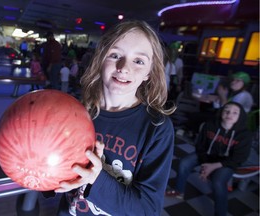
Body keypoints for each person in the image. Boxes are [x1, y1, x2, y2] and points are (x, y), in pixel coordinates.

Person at [55, 20, 176, 216]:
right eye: (115, 55)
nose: (124, 67)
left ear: (148, 73)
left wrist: (96, 178)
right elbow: (56, 170)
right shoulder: (77, 113)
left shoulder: (157, 128)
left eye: (139, 61)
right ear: (101, 59)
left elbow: (148, 209)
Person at [166, 101, 252, 216]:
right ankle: (178, 191)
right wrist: (205, 164)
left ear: (240, 116)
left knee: (218, 181)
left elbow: (238, 158)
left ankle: (220, 213)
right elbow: (200, 145)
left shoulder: (244, 134)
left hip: (226, 163)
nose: (229, 114)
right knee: (184, 163)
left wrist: (212, 167)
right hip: (207, 156)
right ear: (221, 112)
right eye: (226, 110)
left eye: (235, 112)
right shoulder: (210, 125)